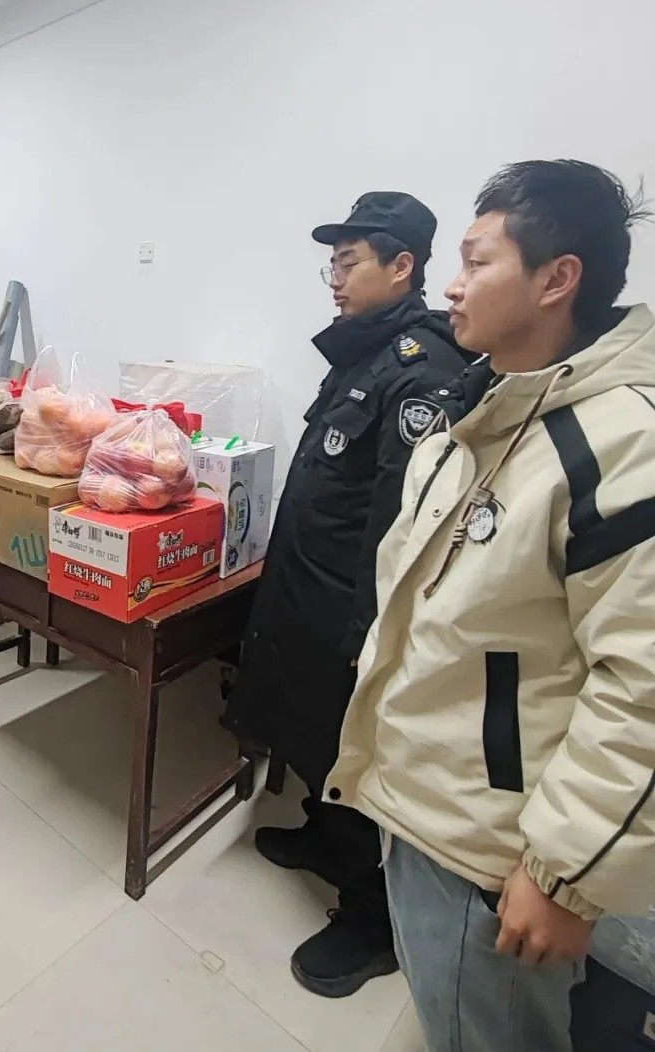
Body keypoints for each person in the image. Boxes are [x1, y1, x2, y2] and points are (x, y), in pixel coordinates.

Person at [325, 160, 655, 1051]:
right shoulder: (485, 408)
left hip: (497, 845)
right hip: (423, 795)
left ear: (557, 278)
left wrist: (563, 874)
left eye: (476, 262)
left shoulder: (622, 442)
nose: (451, 284)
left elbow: (641, 688)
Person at [223, 192, 471, 997]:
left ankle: (371, 924)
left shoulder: (422, 370)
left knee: (358, 757)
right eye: (331, 263)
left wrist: (372, 639)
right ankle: (325, 841)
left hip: (352, 615)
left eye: (349, 262)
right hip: (312, 594)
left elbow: (401, 526)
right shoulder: (367, 353)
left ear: (402, 267)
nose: (334, 278)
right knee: (315, 736)